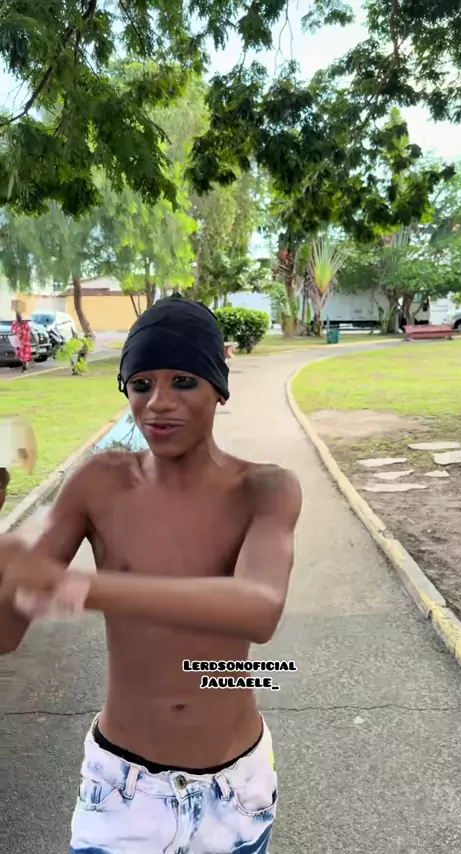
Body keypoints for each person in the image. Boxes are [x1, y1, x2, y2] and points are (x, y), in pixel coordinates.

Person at [0, 296, 302, 854]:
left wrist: (81, 587)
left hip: (234, 793)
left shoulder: (265, 488)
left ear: (218, 388)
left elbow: (259, 608)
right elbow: (7, 632)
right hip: (123, 791)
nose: (158, 403)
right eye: (141, 385)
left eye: (183, 381)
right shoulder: (99, 482)